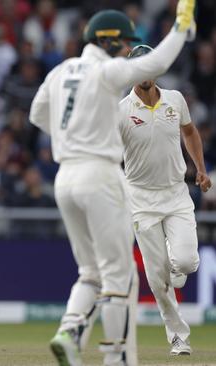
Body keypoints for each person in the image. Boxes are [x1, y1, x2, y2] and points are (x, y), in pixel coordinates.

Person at [29, 1, 196, 364]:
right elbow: (158, 63)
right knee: (119, 275)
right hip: (99, 174)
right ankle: (116, 356)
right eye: (122, 44)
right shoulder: (106, 72)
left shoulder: (60, 71)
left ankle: (70, 330)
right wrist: (182, 27)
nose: (124, 51)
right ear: (108, 41)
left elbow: (37, 114)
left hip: (65, 177)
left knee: (89, 272)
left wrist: (70, 135)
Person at [119, 44, 208, 356]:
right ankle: (178, 336)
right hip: (141, 199)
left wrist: (201, 168)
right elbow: (107, 154)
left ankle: (176, 262)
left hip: (175, 194)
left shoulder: (175, 99)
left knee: (186, 263)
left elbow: (190, 132)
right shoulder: (121, 111)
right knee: (158, 279)